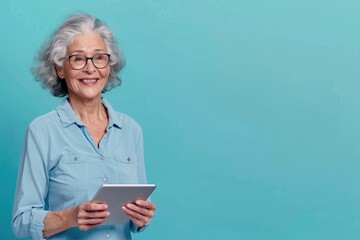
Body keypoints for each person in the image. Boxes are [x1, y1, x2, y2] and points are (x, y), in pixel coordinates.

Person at [12, 13, 156, 240]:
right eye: (78, 59)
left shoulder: (131, 130)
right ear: (60, 68)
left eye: (99, 58)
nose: (90, 69)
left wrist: (142, 216)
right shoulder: (41, 131)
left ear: (109, 66)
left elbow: (135, 216)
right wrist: (71, 216)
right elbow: (21, 222)